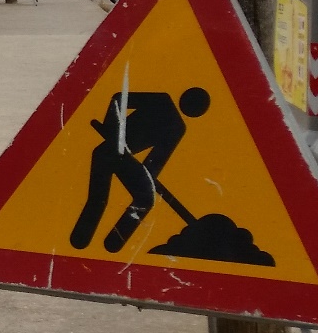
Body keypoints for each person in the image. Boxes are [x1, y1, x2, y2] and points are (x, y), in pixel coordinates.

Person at [70, 86, 212, 253]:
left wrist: (146, 178)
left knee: (145, 198)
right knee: (98, 198)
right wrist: (113, 128)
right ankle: (80, 239)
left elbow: (154, 163)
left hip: (122, 159)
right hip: (106, 152)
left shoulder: (178, 128)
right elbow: (117, 98)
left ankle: (114, 242)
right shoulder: (161, 101)